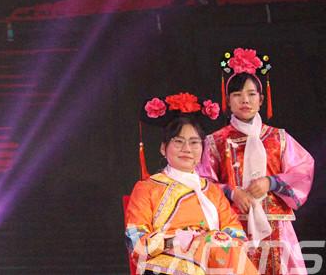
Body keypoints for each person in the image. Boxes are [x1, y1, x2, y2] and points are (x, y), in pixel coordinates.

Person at [198, 48, 314, 275]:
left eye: (251, 94)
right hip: (232, 225)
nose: (245, 100)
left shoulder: (278, 138)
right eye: (237, 94)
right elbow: (202, 182)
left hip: (276, 225)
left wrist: (271, 182)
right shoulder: (215, 141)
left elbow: (303, 170)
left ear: (261, 100)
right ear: (228, 100)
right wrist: (231, 192)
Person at [125, 92, 258, 275]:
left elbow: (237, 235)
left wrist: (207, 241)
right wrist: (178, 240)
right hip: (164, 267)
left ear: (202, 149)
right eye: (179, 142)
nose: (187, 149)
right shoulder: (147, 188)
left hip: (214, 261)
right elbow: (135, 242)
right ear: (163, 148)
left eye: (194, 143)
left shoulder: (212, 191)